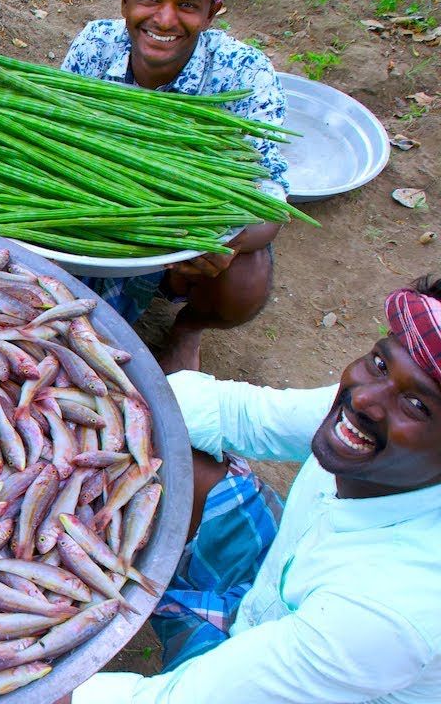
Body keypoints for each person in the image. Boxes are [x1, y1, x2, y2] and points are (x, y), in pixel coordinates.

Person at [66, 273, 441, 703]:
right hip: (271, 593)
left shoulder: (387, 614)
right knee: (177, 454)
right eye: (379, 362)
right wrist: (98, 399)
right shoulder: (372, 410)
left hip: (300, 683)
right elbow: (244, 415)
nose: (364, 400)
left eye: (417, 405)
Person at [61, 0, 289, 373]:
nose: (165, 20)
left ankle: (188, 328)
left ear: (211, 14)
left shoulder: (244, 74)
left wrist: (211, 241)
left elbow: (270, 205)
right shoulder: (96, 45)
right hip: (92, 223)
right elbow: (57, 145)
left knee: (245, 281)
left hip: (184, 248)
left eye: (187, 5)